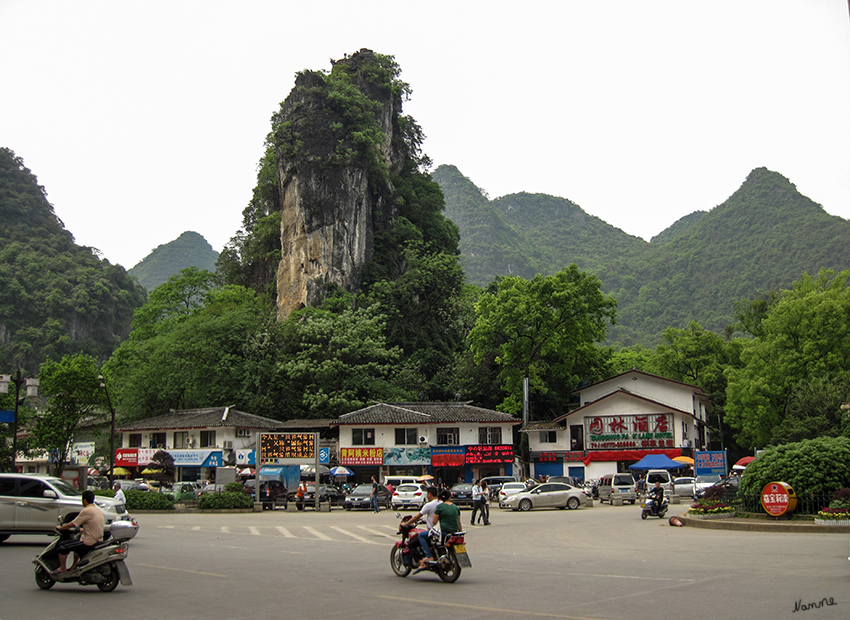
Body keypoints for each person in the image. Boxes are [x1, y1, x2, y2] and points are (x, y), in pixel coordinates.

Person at [54, 490, 104, 574]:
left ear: (84, 500)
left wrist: (61, 528)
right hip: (98, 539)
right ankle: (74, 566)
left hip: (89, 541)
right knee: (77, 543)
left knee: (62, 546)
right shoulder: (98, 510)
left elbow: (73, 523)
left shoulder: (86, 511)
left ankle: (62, 568)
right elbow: (92, 525)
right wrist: (82, 530)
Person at [402, 486, 441, 570]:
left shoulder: (429, 505)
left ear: (429, 494)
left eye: (427, 494)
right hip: (442, 530)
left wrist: (406, 524)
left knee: (412, 543)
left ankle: (423, 560)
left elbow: (417, 517)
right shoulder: (442, 503)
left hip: (434, 532)